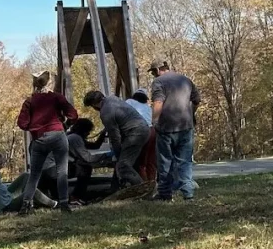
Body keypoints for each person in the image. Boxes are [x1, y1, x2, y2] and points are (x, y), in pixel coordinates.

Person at [15, 70, 76, 214]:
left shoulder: (29, 101)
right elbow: (73, 114)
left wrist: (33, 128)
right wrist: (66, 125)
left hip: (39, 139)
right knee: (62, 172)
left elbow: (22, 123)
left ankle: (26, 205)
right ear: (50, 83)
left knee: (34, 174)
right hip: (58, 135)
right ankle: (64, 203)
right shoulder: (56, 97)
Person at [149, 61, 201, 201]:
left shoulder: (159, 82)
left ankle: (165, 194)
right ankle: (188, 193)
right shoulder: (185, 80)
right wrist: (190, 114)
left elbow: (158, 102)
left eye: (153, 72)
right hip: (186, 126)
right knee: (185, 162)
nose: (153, 75)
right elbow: (196, 100)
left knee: (165, 161)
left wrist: (154, 121)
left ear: (157, 69)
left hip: (166, 128)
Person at [82, 89, 151, 189]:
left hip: (135, 133)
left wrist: (117, 154)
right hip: (144, 129)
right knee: (130, 163)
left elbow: (115, 137)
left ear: (94, 104)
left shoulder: (105, 112)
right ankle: (116, 189)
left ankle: (143, 189)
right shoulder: (113, 98)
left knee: (123, 165)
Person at [66, 118, 115, 202]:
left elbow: (95, 146)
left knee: (84, 166)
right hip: (60, 167)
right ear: (83, 130)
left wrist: (103, 133)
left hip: (62, 165)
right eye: (88, 131)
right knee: (85, 169)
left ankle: (78, 196)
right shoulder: (75, 138)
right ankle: (76, 196)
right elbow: (88, 158)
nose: (88, 134)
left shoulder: (73, 136)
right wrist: (107, 155)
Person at [126, 87, 158, 185]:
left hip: (140, 131)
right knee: (150, 160)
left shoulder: (129, 102)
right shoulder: (148, 107)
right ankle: (152, 183)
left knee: (141, 161)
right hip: (152, 131)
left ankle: (143, 184)